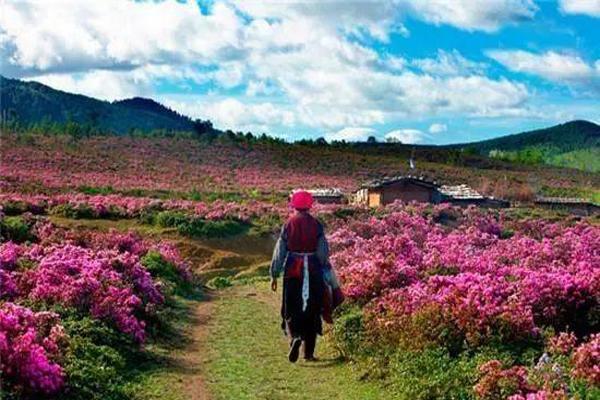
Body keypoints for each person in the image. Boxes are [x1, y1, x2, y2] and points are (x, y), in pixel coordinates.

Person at [270, 190, 344, 363]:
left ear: (293, 205)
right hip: (313, 270)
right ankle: (308, 354)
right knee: (312, 310)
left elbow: (279, 252)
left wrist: (274, 274)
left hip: (293, 271)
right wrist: (324, 269)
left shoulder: (289, 224)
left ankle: (295, 336)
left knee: (291, 307)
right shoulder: (316, 224)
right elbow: (323, 253)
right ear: (310, 205)